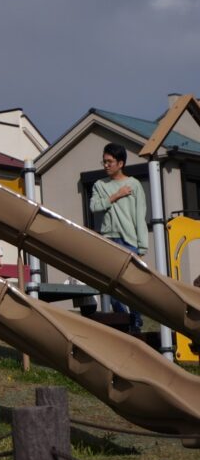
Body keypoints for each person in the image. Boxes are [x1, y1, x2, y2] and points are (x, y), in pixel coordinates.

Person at [89, 142, 147, 334]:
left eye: (110, 162)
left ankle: (136, 322)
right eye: (104, 161)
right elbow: (94, 207)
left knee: (131, 287)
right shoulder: (99, 185)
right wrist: (116, 196)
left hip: (129, 241)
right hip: (108, 240)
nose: (106, 165)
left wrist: (142, 247)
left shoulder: (134, 185)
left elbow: (140, 216)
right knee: (112, 287)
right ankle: (124, 321)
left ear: (120, 163)